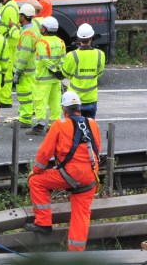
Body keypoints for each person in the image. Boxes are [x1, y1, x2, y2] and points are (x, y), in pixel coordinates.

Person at [26, 91, 102, 252]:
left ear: (64, 109)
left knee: (35, 181)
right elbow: (97, 149)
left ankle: (44, 223)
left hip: (70, 174)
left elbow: (44, 153)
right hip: (90, 175)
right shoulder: (92, 123)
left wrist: (37, 170)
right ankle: (75, 254)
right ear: (79, 108)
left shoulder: (59, 124)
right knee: (81, 215)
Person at [61, 23, 105, 119]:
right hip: (91, 98)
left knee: (74, 128)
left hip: (74, 99)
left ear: (78, 38)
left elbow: (65, 73)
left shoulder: (72, 55)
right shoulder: (100, 54)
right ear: (91, 37)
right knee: (89, 128)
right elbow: (99, 73)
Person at [32, 16, 65, 134]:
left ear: (45, 29)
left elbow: (45, 60)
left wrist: (54, 70)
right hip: (56, 80)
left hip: (43, 79)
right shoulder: (60, 42)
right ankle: (53, 126)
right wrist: (59, 71)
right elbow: (62, 59)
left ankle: (38, 126)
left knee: (40, 101)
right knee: (55, 102)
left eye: (42, 26)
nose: (40, 28)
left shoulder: (42, 42)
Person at [14, 3, 40, 127]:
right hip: (31, 69)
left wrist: (18, 71)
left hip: (25, 71)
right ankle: (28, 114)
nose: (18, 17)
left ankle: (25, 119)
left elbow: (23, 55)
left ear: (23, 17)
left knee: (24, 95)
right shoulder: (33, 28)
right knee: (31, 93)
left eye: (20, 15)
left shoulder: (27, 34)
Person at [0, 0, 20, 108]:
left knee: (7, 73)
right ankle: (4, 98)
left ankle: (5, 100)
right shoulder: (7, 6)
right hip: (6, 45)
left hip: (8, 46)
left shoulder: (9, 8)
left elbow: (13, 29)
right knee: (5, 72)